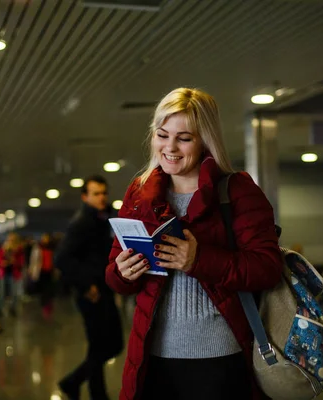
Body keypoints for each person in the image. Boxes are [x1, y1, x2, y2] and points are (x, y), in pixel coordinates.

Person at [105, 88, 283, 400]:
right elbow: (115, 276)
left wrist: (199, 260)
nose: (169, 147)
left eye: (184, 138)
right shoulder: (140, 192)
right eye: (162, 135)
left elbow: (267, 268)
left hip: (218, 360)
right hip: (153, 359)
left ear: (205, 140)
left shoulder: (236, 191)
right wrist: (122, 272)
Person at [55, 175, 123, 400]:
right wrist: (86, 285)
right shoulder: (82, 222)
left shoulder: (100, 219)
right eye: (96, 193)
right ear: (85, 197)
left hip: (102, 290)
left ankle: (76, 383)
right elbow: (62, 259)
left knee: (108, 345)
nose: (102, 197)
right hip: (92, 293)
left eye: (104, 192)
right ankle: (84, 388)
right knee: (102, 345)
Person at [0, 232, 25, 317]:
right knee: (1, 292)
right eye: (9, 239)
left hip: (14, 273)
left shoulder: (19, 249)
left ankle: (13, 308)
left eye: (12, 239)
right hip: (3, 273)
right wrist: (2, 263)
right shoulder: (3, 248)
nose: (10, 241)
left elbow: (21, 262)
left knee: (14, 293)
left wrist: (14, 261)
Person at [29, 233, 57, 319]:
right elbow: (33, 259)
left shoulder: (52, 248)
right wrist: (31, 269)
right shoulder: (38, 247)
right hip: (41, 271)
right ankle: (44, 305)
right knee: (43, 289)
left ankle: (47, 304)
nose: (44, 239)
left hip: (50, 271)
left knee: (49, 289)